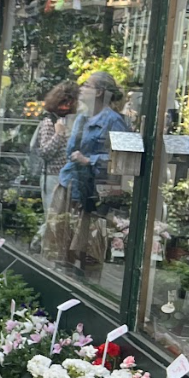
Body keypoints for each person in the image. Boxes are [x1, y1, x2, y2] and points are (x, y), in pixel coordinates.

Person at [42, 70, 128, 279]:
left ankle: (84, 287)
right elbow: (71, 152)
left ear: (99, 92)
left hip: (91, 192)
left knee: (87, 248)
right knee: (62, 246)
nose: (81, 89)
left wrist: (90, 160)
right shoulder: (81, 118)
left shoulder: (114, 121)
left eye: (86, 86)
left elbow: (122, 159)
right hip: (69, 186)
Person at [30, 80, 77, 213]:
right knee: (53, 218)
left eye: (71, 102)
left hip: (70, 177)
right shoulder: (50, 121)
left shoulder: (74, 121)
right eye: (64, 102)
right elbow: (45, 152)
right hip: (53, 176)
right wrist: (58, 134)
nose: (67, 106)